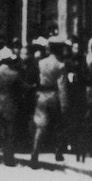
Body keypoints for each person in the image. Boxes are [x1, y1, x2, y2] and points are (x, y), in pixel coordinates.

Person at [30, 34, 69, 167]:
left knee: (40, 126)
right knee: (58, 125)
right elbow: (62, 87)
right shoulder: (60, 65)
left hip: (41, 94)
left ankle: (35, 153)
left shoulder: (41, 62)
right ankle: (58, 152)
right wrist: (64, 105)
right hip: (54, 95)